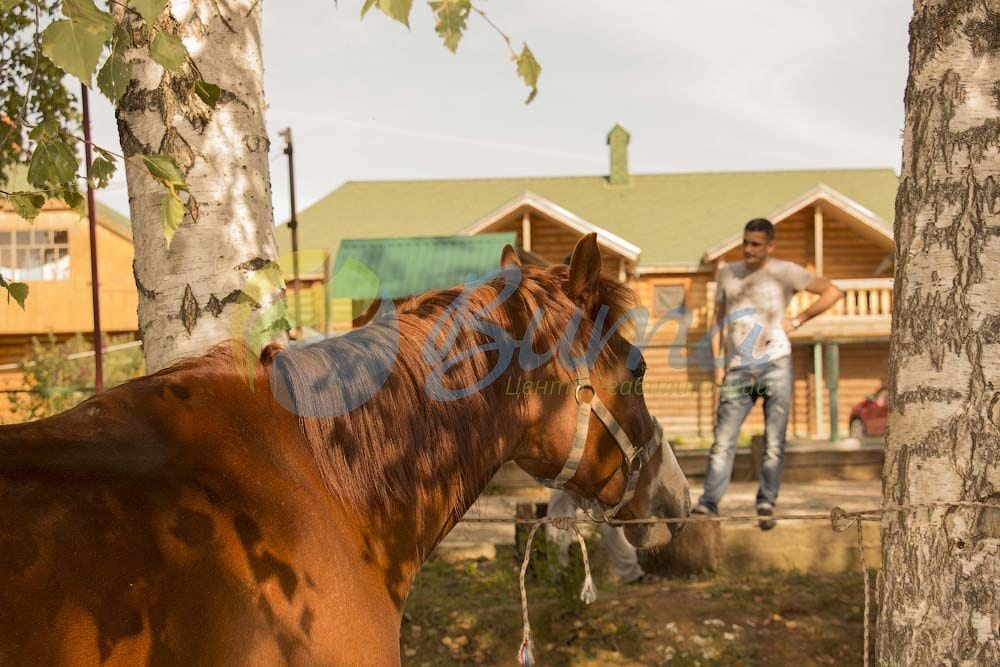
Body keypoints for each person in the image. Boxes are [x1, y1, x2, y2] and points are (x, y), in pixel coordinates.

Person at [693, 218, 843, 529]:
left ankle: (766, 502)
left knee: (775, 442)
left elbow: (833, 291)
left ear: (770, 246)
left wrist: (798, 320)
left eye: (756, 244)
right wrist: (718, 363)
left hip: (776, 364)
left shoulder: (785, 271)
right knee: (723, 440)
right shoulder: (727, 274)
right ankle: (708, 503)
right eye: (746, 242)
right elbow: (718, 321)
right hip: (737, 369)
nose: (749, 249)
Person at [545, 489, 649, 584]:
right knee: (559, 512)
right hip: (566, 475)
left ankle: (632, 575)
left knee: (611, 516)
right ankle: (559, 577)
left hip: (597, 474)